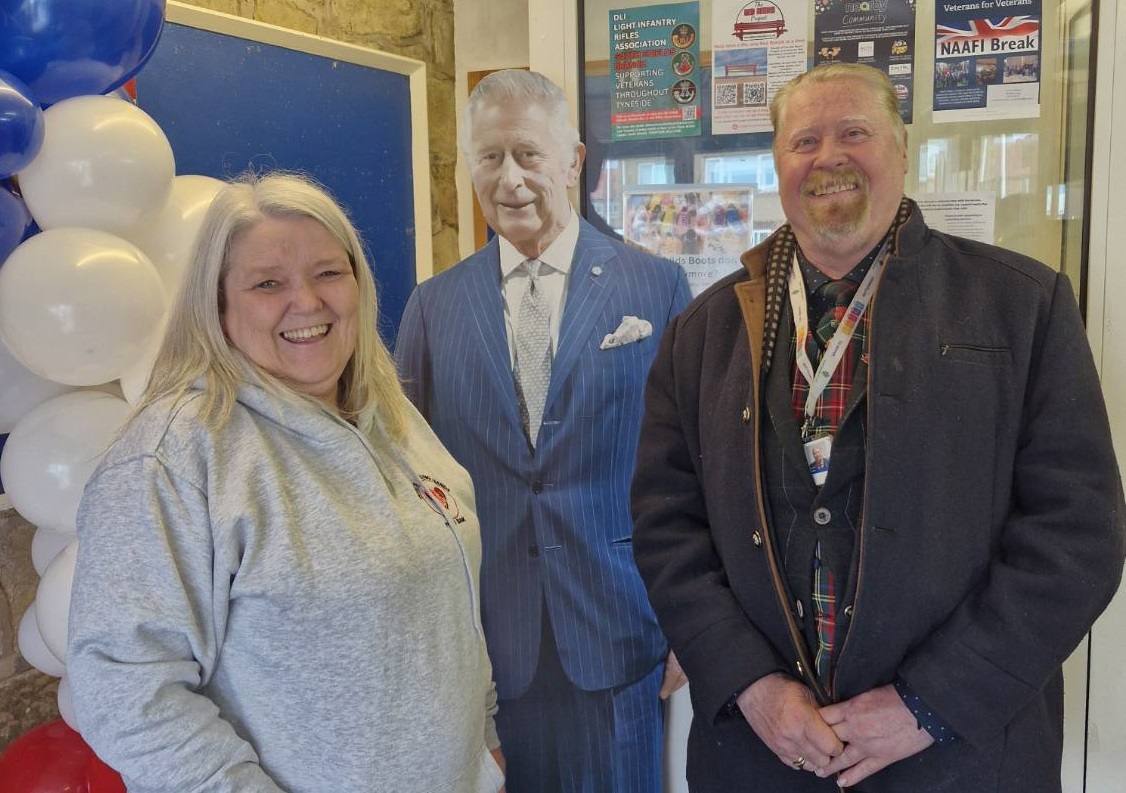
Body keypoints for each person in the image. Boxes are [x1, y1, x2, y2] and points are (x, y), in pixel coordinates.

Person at [631, 63, 1125, 793]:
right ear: (777, 164)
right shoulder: (700, 336)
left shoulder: (1023, 307)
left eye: (854, 132)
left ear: (901, 149)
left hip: (960, 757)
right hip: (763, 759)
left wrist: (929, 704)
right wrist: (752, 685)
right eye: (805, 140)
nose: (829, 157)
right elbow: (667, 530)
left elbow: (1078, 534)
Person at [67, 172, 505, 793]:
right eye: (267, 283)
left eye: (328, 272)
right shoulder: (175, 458)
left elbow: (447, 609)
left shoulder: (392, 417)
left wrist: (484, 748)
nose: (306, 301)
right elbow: (124, 686)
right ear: (216, 304)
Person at [395, 70, 692, 792]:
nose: (510, 179)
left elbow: (698, 468)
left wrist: (692, 621)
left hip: (622, 632)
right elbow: (403, 477)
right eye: (489, 158)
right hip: (489, 650)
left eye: (528, 154)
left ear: (574, 160)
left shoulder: (657, 287)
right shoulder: (433, 307)